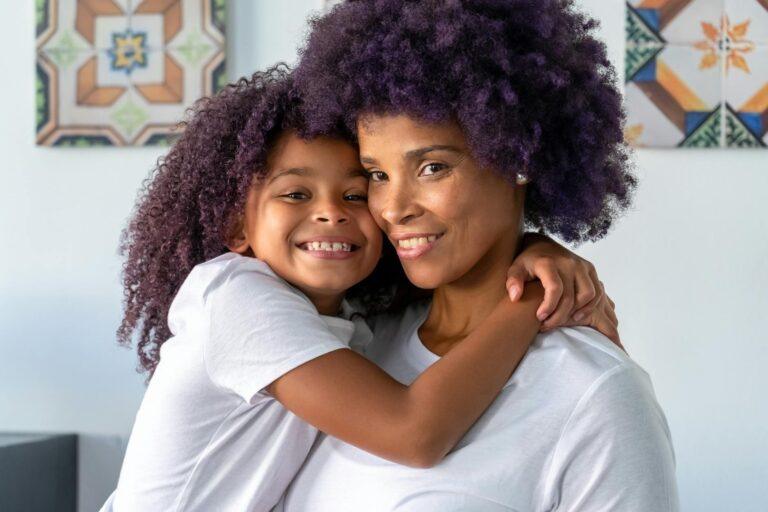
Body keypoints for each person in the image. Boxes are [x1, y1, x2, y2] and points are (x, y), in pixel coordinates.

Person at [102, 66, 618, 511]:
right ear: (237, 228)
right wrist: (529, 298)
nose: (332, 212)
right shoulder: (238, 299)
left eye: (355, 190)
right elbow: (412, 432)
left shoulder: (353, 324)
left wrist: (534, 245)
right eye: (296, 193)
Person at [275, 0, 679, 510]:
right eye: (377, 174)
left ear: (518, 158)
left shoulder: (595, 392)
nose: (393, 209)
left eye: (433, 168)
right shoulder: (353, 337)